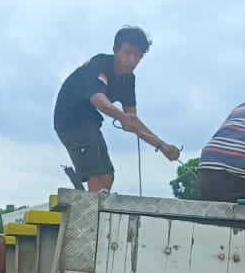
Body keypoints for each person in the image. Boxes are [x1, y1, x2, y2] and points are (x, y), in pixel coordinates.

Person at [53, 25, 181, 191]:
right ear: (115, 50)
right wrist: (121, 116)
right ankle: (91, 212)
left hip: (90, 122)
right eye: (128, 53)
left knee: (107, 176)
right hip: (70, 120)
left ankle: (94, 208)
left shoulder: (129, 80)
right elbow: (98, 99)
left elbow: (132, 121)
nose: (132, 60)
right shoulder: (100, 64)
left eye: (138, 56)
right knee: (98, 175)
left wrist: (162, 146)